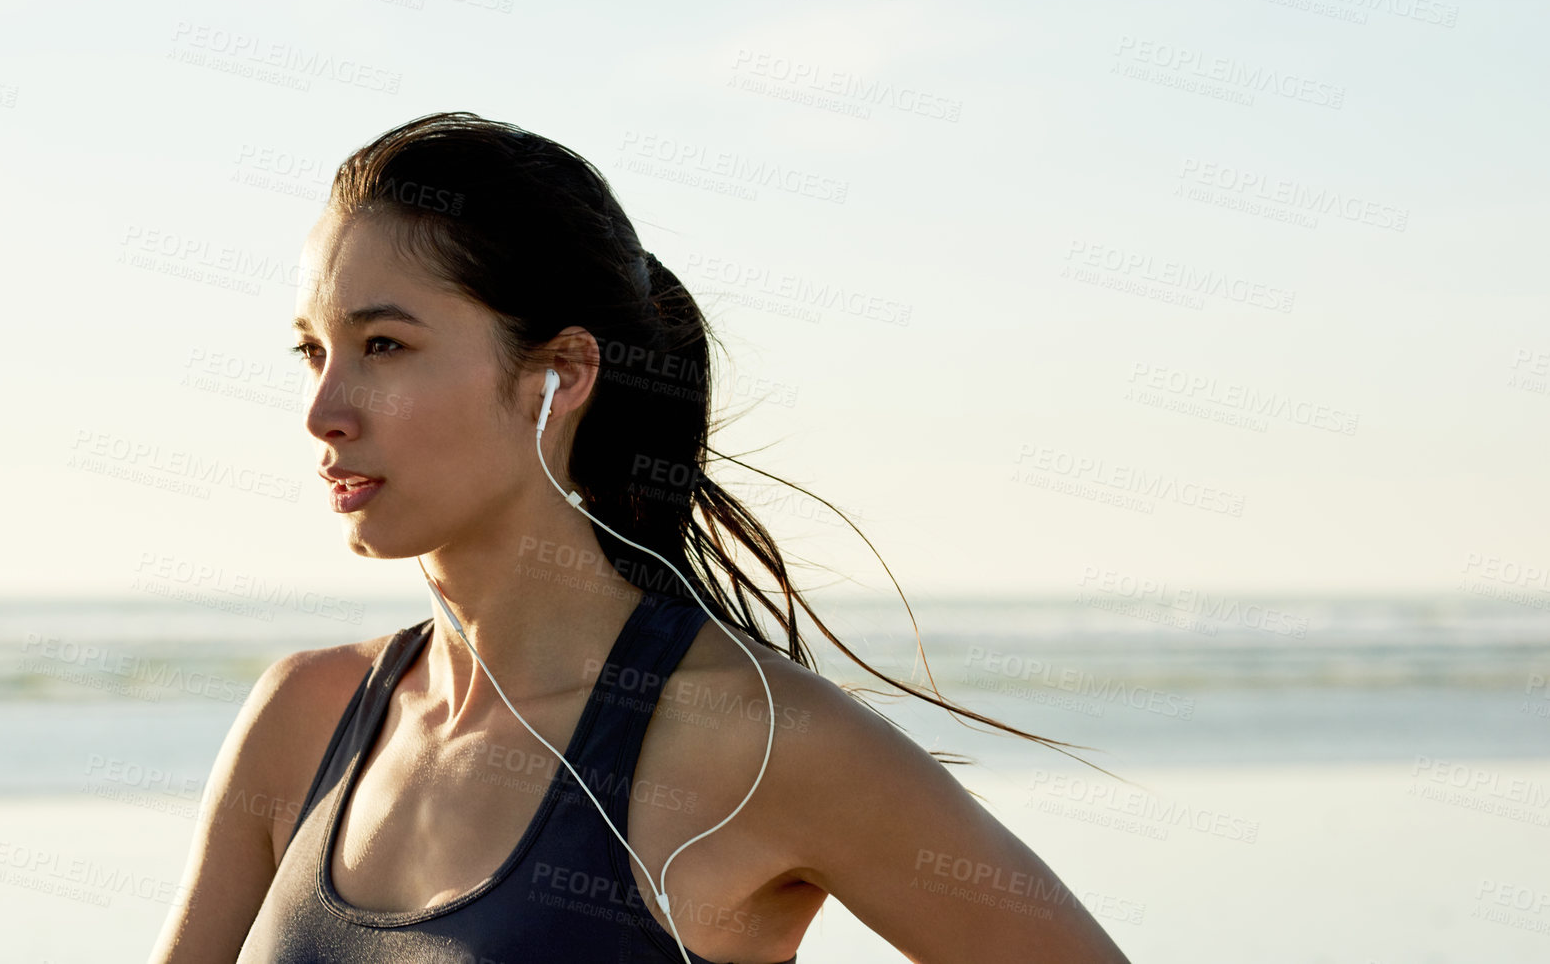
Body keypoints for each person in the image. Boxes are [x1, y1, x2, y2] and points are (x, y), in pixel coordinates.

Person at [146, 112, 1132, 964]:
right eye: (312, 352)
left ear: (561, 374)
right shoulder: (303, 718)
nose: (323, 410)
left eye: (384, 347)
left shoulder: (759, 742)